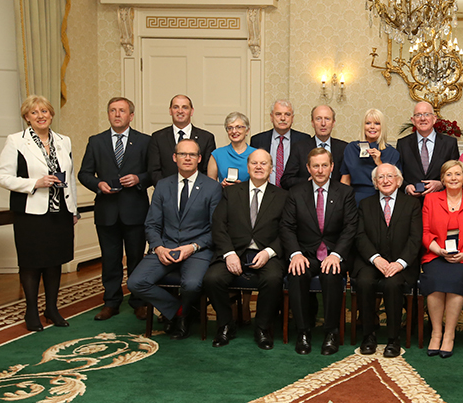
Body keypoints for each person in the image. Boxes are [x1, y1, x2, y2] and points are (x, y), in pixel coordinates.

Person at [0, 95, 80, 331]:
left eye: (45, 111)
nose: (41, 116)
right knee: (31, 263)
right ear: (26, 118)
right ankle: (31, 310)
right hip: (30, 214)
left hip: (59, 212)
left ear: (51, 115)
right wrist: (34, 183)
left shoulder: (64, 140)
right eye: (34, 113)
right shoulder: (16, 141)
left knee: (55, 262)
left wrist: (73, 209)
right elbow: (2, 177)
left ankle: (51, 308)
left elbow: (69, 177)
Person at [127, 139, 222, 340]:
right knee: (136, 282)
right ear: (174, 158)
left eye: (192, 155)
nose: (187, 158)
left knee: (192, 284)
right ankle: (180, 311)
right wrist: (158, 248)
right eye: (182, 154)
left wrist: (193, 247)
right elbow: (152, 224)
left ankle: (183, 317)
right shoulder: (162, 185)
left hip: (197, 249)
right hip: (166, 247)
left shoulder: (212, 187)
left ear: (199, 159)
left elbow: (216, 229)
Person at [204, 149, 288, 349]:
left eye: (264, 164)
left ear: (271, 168)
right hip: (234, 252)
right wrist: (229, 253)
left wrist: (269, 252)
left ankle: (262, 327)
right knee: (212, 279)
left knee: (273, 279)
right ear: (248, 167)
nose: (259, 167)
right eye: (254, 163)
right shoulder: (230, 192)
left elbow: (287, 230)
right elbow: (219, 225)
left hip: (267, 253)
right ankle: (226, 324)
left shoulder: (283, 196)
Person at [78, 97, 152, 321]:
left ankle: (139, 301)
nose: (117, 114)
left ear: (131, 116)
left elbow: (154, 172)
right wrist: (98, 185)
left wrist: (139, 178)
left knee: (136, 259)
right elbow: (84, 173)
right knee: (110, 260)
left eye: (122, 111)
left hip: (135, 211)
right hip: (106, 211)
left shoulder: (145, 141)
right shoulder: (96, 141)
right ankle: (111, 302)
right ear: (108, 114)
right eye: (113, 110)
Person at [282, 148, 358, 355]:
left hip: (335, 253)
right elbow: (287, 227)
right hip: (305, 252)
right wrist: (295, 254)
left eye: (325, 165)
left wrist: (337, 255)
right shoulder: (296, 193)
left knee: (331, 274)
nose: (320, 170)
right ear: (308, 168)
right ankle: (303, 332)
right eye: (315, 166)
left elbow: (351, 227)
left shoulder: (345, 193)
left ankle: (331, 332)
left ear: (332, 167)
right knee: (296, 274)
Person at [420, 160, 463, 358]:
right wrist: (439, 251)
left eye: (458, 174)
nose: (453, 178)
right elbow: (424, 233)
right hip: (436, 254)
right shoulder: (431, 200)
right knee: (434, 280)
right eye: (449, 174)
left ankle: (449, 334)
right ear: (442, 178)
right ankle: (436, 332)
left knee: (455, 280)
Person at [354, 163, 422, 358]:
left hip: (401, 263)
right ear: (375, 182)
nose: (385, 181)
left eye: (390, 176)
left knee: (392, 285)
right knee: (365, 282)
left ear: (399, 181)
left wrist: (400, 263)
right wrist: (376, 259)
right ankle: (368, 335)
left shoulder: (412, 204)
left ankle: (393, 339)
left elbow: (415, 238)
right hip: (371, 261)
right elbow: (359, 236)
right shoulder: (365, 204)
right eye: (380, 177)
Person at [147, 94, 216, 187]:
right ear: (170, 111)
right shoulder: (158, 137)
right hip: (167, 194)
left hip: (198, 194)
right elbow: (154, 171)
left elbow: (207, 171)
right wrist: (167, 191)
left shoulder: (206, 138)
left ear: (192, 111)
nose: (180, 111)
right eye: (176, 107)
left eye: (185, 107)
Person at [396, 101, 459, 199]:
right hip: (411, 202)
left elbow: (456, 173)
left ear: (434, 119)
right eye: (418, 115)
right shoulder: (403, 144)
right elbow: (397, 173)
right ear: (413, 120)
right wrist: (406, 187)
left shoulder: (450, 143)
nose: (422, 118)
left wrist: (441, 184)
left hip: (440, 201)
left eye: (427, 114)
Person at [340, 108, 401, 205]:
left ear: (382, 127)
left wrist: (379, 163)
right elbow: (345, 179)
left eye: (377, 123)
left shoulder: (392, 152)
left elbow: (395, 183)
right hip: (355, 198)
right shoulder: (351, 148)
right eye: (368, 123)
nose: (372, 127)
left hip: (381, 198)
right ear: (363, 126)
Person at [281, 105, 348, 189]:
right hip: (307, 198)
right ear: (312, 123)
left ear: (333, 123)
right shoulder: (299, 148)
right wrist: (308, 181)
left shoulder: (344, 148)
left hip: (336, 199)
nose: (323, 124)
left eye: (327, 119)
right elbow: (286, 180)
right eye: (318, 119)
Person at [250, 99, 307, 185]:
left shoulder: (304, 139)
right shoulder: (257, 140)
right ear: (271, 117)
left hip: (294, 191)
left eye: (287, 114)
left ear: (292, 118)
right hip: (266, 192)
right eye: (278, 114)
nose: (283, 118)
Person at [207, 112, 257, 186]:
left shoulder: (256, 154)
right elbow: (209, 186)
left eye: (238, 127)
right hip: (223, 196)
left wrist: (243, 187)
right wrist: (221, 186)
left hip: (249, 197)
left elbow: (263, 184)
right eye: (230, 128)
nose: (234, 131)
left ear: (247, 130)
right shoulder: (217, 154)